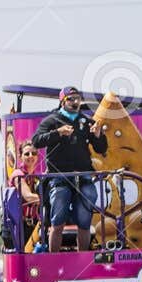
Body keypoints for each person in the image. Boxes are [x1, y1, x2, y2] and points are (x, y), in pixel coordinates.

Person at [30, 85, 107, 252]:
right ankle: (54, 258)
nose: (75, 102)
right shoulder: (51, 120)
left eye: (78, 98)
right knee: (57, 221)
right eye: (71, 99)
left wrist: (98, 135)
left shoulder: (86, 121)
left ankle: (83, 258)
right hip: (59, 177)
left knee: (84, 221)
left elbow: (101, 149)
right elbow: (36, 141)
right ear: (62, 101)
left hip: (83, 176)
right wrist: (58, 133)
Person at [10, 141, 43, 248]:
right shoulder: (18, 174)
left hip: (33, 223)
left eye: (34, 153)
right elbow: (28, 197)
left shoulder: (35, 176)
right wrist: (48, 199)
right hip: (19, 225)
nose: (31, 156)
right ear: (20, 157)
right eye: (27, 154)